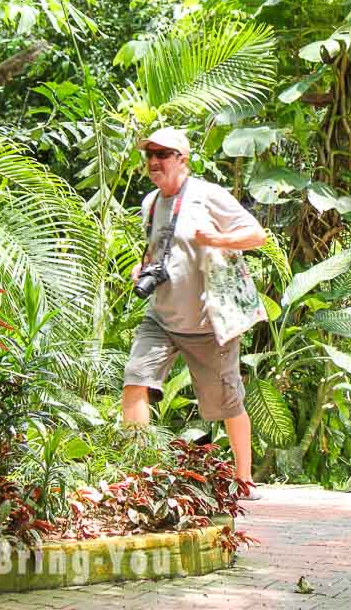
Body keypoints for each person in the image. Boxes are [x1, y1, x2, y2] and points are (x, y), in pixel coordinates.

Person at [122, 128, 266, 494]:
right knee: (135, 380)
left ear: (181, 159)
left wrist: (216, 239)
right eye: (150, 155)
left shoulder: (208, 196)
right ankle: (141, 473)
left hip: (208, 323)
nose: (154, 161)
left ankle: (244, 476)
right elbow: (158, 252)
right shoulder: (151, 202)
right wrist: (142, 269)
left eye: (162, 154)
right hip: (162, 317)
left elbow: (256, 235)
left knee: (226, 402)